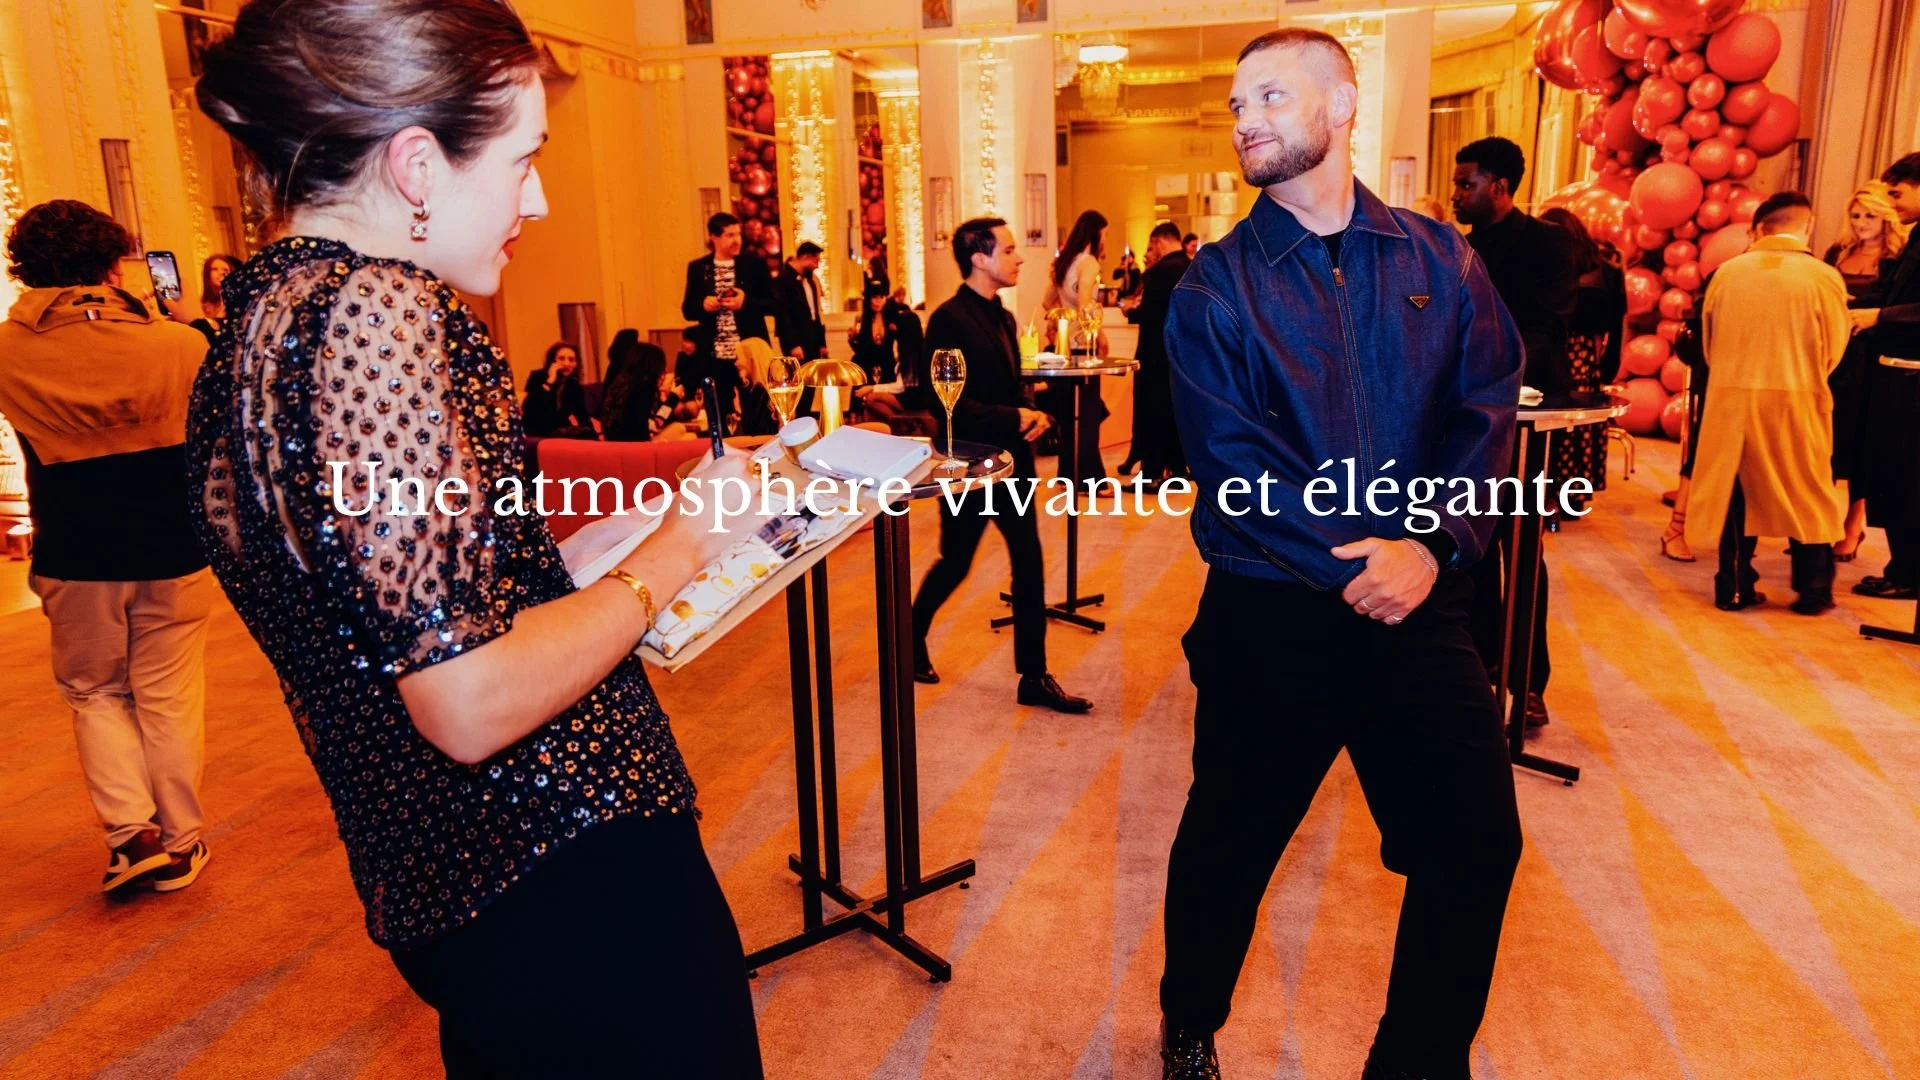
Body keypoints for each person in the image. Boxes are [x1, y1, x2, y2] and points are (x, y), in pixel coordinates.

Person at [189, 2, 769, 1073]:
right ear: (416, 166)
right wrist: (679, 551)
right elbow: (463, 700)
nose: (537, 198)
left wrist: (613, 548)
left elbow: (397, 605)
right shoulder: (379, 313)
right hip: (565, 863)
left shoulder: (260, 321)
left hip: (442, 876)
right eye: (521, 160)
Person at [1159, 30, 1522, 1080]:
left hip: (1422, 607)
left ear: (1345, 102)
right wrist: (1368, 559)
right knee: (1230, 844)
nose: (1246, 119)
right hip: (1273, 615)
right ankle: (1191, 1019)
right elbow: (1235, 465)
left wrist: (1434, 544)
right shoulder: (1213, 289)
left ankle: (1415, 1062)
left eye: (1270, 95)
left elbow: (1486, 408)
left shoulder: (1441, 256)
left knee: (1475, 843)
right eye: (1235, 105)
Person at [0, 200, 215, 897]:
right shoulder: (180, 345)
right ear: (114, 261)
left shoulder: (6, 349)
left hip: (75, 546)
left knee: (93, 692)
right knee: (167, 694)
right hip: (172, 541)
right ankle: (180, 841)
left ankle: (132, 835)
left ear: (23, 266)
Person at [909, 216, 1092, 715]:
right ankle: (909, 635)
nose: (1020, 257)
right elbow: (946, 403)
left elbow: (1008, 387)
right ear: (979, 258)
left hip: (1011, 463)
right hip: (968, 463)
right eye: (1009, 250)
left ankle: (1033, 676)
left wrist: (1031, 415)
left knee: (1029, 563)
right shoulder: (948, 319)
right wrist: (1017, 414)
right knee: (957, 561)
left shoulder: (1004, 316)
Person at [1452, 134, 1575, 730]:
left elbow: (1548, 328)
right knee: (1466, 549)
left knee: (1524, 555)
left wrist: (1497, 376)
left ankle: (1527, 683)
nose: (1456, 194)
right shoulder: (1452, 249)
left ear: (1500, 187)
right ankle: (1474, 677)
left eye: (1466, 183)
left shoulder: (1548, 243)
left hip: (1525, 422)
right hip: (1461, 424)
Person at [1684, 193, 1850, 614]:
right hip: (1798, 395)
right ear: (1806, 227)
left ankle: (1734, 585)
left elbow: (1708, 342)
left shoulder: (1727, 273)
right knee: (1808, 489)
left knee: (1737, 489)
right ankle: (1813, 591)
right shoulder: (1823, 276)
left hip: (1732, 396)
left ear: (1758, 228)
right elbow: (1835, 346)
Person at [1823, 181, 1910, 560]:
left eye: (1870, 215)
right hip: (1832, 354)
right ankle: (1816, 526)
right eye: (1856, 215)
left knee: (1860, 444)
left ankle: (1852, 525)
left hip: (1869, 360)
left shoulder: (1897, 258)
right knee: (1825, 439)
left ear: (1885, 218)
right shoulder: (1837, 252)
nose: (1861, 223)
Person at [1848, 152, 1920, 601]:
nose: (1892, 203)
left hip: (1913, 378)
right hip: (1894, 373)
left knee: (1907, 478)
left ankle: (1910, 574)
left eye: (1897, 193)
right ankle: (1902, 567)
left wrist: (1881, 316)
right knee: (1892, 475)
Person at [1540, 207, 1624, 511]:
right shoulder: (1607, 270)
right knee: (1580, 424)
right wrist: (1609, 367)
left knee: (1553, 425)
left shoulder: (1550, 268)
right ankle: (1573, 493)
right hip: (1588, 356)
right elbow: (1617, 322)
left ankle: (1548, 494)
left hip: (1554, 351)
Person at [1041, 209, 1111, 484]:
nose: (1105, 240)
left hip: (1064, 347)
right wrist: (1100, 334)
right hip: (1084, 347)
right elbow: (1085, 303)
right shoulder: (1090, 263)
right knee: (1089, 413)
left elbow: (1048, 302)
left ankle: (1067, 475)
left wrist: (1062, 323)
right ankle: (1091, 478)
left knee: (1070, 414)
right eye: (1104, 235)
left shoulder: (1065, 262)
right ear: (1095, 234)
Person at [1123, 220, 1190, 487]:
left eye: (1152, 245)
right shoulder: (1190, 266)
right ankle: (1177, 468)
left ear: (1160, 241)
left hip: (1155, 353)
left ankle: (1151, 473)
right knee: (1173, 411)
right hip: (1179, 354)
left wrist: (1131, 311)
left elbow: (1150, 315)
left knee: (1152, 412)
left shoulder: (1162, 271)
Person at [682, 211, 773, 381]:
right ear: (714, 237)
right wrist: (703, 305)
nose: (737, 240)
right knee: (719, 405)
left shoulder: (754, 264)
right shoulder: (698, 268)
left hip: (749, 356)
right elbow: (687, 310)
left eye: (738, 234)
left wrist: (744, 302)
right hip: (714, 355)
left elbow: (774, 304)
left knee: (753, 404)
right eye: (730, 235)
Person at [599, 328, 671, 442]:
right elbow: (654, 424)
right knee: (684, 432)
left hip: (613, 440)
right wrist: (673, 398)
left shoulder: (621, 381)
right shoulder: (644, 388)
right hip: (636, 447)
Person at [521, 341, 595, 439]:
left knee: (585, 433)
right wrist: (549, 381)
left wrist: (595, 439)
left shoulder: (574, 386)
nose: (566, 363)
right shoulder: (537, 376)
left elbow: (582, 415)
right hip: (537, 428)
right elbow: (529, 407)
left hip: (561, 429)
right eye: (561, 358)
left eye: (571, 360)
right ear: (553, 361)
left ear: (576, 364)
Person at [773, 239, 827, 360]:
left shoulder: (810, 280)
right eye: (815, 261)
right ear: (805, 257)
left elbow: (815, 313)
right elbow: (782, 315)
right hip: (796, 338)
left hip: (812, 337)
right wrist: (793, 344)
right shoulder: (783, 280)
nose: (817, 266)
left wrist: (822, 343)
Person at [732, 337, 782, 436]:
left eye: (738, 358)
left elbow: (756, 434)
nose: (736, 363)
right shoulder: (767, 390)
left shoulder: (760, 393)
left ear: (752, 360)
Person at [189, 253, 242, 344]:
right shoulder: (199, 304)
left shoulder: (236, 302)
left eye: (225, 269)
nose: (221, 272)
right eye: (215, 269)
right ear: (207, 274)